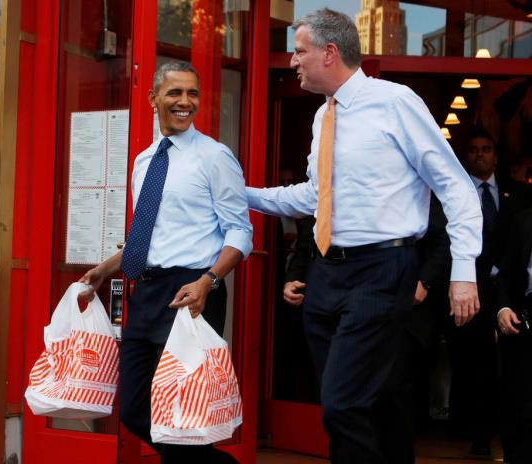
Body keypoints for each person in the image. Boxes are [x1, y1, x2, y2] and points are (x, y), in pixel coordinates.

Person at [246, 9, 482, 464]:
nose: (293, 61)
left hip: (382, 271)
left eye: (300, 52)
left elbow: (455, 187)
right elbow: (315, 197)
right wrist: (244, 196)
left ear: (330, 53)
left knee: (343, 406)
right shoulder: (322, 117)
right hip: (326, 276)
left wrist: (463, 273)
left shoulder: (395, 102)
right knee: (358, 407)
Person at [78, 61, 252, 464]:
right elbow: (149, 235)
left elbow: (240, 232)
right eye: (175, 92)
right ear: (153, 98)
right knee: (137, 410)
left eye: (192, 93)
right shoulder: (144, 161)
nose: (185, 102)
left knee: (182, 412)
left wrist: (209, 280)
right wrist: (106, 268)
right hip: (149, 290)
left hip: (192, 292)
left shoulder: (215, 157)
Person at [283, 196, 451, 464]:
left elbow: (443, 239)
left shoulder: (400, 185)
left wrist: (423, 284)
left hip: (395, 310)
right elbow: (312, 238)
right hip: (333, 308)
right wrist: (294, 276)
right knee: (340, 405)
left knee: (389, 403)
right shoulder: (335, 186)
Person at [446, 128, 529, 455]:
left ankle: (512, 438)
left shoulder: (520, 194)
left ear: (496, 155)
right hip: (465, 291)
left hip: (511, 294)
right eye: (473, 149)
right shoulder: (453, 191)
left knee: (513, 369)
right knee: (471, 366)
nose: (479, 155)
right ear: (465, 156)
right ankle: (476, 436)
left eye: (486, 149)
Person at [495, 208, 532, 464]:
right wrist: (503, 307)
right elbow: (503, 273)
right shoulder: (523, 218)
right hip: (526, 317)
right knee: (522, 403)